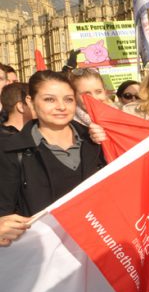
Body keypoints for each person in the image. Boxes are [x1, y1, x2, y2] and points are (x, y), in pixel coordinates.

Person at [0, 70, 105, 217]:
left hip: (99, 236)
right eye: (50, 99)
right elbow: (4, 210)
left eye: (68, 99)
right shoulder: (10, 150)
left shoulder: (97, 141)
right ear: (30, 102)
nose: (61, 107)